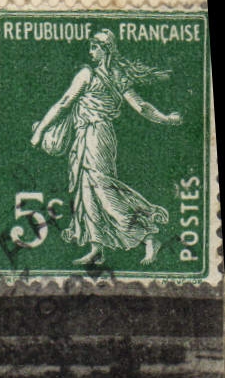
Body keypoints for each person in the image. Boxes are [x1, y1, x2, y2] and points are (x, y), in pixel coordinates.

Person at [30, 29, 184, 265]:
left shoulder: (89, 74)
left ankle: (149, 235)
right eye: (90, 47)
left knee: (103, 188)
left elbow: (65, 103)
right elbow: (140, 106)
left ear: (106, 49)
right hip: (86, 136)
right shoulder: (114, 75)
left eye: (95, 47)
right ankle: (97, 247)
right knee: (86, 191)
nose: (91, 52)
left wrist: (40, 130)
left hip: (97, 136)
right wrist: (166, 118)